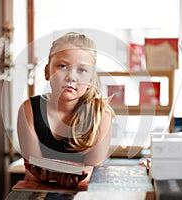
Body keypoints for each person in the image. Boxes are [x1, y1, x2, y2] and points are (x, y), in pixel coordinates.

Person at [17, 32, 115, 188]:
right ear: (47, 72)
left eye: (82, 70)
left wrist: (76, 178)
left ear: (90, 80)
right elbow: (32, 172)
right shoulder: (28, 109)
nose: (71, 77)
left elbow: (93, 174)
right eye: (62, 66)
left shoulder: (102, 115)